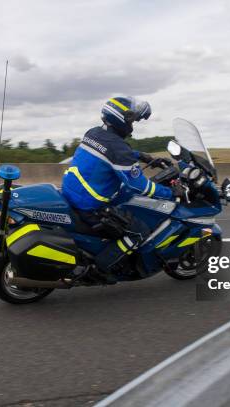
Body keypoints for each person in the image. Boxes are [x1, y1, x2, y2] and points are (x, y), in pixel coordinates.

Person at [62, 96, 185, 279]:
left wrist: (143, 157)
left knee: (126, 202)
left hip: (73, 193)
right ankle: (102, 267)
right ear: (120, 120)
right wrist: (170, 192)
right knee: (138, 232)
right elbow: (139, 185)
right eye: (132, 120)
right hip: (91, 206)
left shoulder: (94, 133)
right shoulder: (118, 149)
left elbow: (114, 152)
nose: (133, 126)